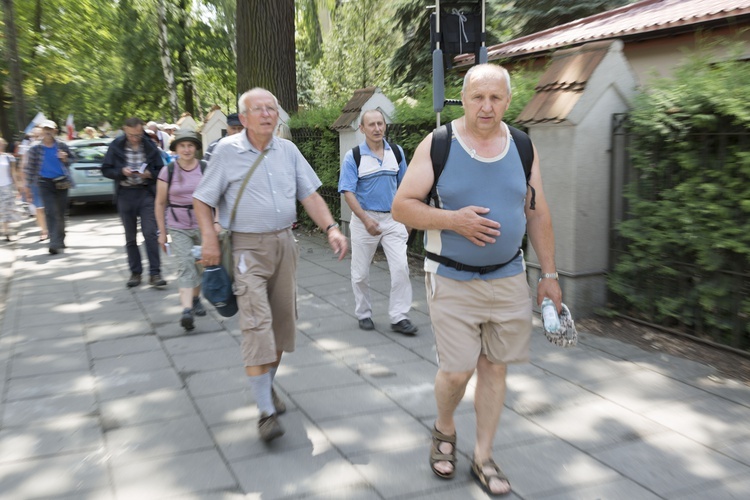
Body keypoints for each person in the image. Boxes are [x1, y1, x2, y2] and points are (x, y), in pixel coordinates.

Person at [391, 64, 563, 496]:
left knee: (495, 368)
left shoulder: (522, 146)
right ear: (463, 99)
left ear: (508, 101)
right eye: (477, 97)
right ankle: (444, 428)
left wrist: (550, 274)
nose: (486, 107)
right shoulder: (440, 144)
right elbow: (402, 206)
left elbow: (537, 211)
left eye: (496, 98)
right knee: (457, 371)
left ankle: (484, 457)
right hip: (451, 277)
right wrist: (453, 221)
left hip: (509, 277)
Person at [193, 88, 348, 442]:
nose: (267, 114)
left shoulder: (288, 150)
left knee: (281, 327)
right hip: (246, 248)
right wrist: (208, 238)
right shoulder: (226, 153)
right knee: (256, 325)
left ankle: (267, 385)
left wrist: (332, 228)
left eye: (271, 108)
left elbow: (309, 195)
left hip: (284, 244)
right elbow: (202, 200)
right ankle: (264, 412)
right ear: (243, 118)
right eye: (258, 109)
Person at [338, 109, 417, 334]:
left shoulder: (397, 153)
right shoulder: (354, 156)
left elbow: (406, 187)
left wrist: (408, 220)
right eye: (371, 125)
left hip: (393, 219)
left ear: (385, 126)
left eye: (380, 124)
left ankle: (399, 316)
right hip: (364, 219)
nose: (377, 128)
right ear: (362, 129)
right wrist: (365, 219)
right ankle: (364, 313)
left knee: (401, 268)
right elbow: (348, 192)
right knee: (360, 272)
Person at [102, 117, 167, 288]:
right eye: (131, 135)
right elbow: (106, 169)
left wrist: (149, 174)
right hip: (125, 193)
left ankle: (155, 273)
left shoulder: (150, 145)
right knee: (130, 237)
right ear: (124, 130)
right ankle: (135, 273)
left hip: (146, 193)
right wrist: (121, 171)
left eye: (138, 135)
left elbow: (161, 170)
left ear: (142, 130)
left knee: (150, 234)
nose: (134, 138)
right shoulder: (116, 145)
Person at [155, 131, 209, 331]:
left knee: (200, 264)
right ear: (176, 149)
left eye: (190, 145)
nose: (186, 149)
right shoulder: (167, 171)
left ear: (195, 148)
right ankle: (186, 310)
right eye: (182, 146)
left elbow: (218, 196)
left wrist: (218, 221)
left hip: (204, 223)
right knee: (185, 264)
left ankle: (195, 299)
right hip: (178, 226)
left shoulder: (205, 168)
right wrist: (162, 232)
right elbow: (160, 203)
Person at [23, 120, 74, 254]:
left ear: (55, 131)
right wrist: (27, 188)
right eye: (45, 129)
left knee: (61, 213)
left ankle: (61, 238)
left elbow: (73, 159)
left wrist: (65, 158)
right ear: (42, 131)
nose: (48, 132)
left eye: (50, 129)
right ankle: (54, 242)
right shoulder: (35, 148)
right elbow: (30, 169)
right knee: (51, 212)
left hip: (62, 182)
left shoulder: (62, 145)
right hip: (44, 183)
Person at [18, 127, 48, 240]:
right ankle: (44, 230)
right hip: (35, 182)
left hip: (49, 180)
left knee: (49, 207)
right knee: (39, 208)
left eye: (40, 135)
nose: (38, 137)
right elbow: (23, 167)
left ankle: (51, 227)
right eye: (35, 135)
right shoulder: (28, 148)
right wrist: (24, 184)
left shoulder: (50, 146)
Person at [0, 137, 20, 241]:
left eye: (1, 144)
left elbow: (13, 173)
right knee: (1, 210)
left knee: (6, 209)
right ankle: (5, 229)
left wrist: (17, 187)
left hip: (7, 186)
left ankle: (7, 231)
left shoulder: (9, 157)